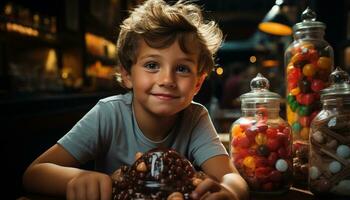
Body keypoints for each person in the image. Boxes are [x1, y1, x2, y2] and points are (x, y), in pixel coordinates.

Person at [22, 0, 249, 199]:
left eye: (182, 68)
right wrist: (79, 178)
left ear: (197, 84)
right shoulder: (107, 114)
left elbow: (231, 177)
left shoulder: (195, 117)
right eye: (152, 65)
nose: (167, 79)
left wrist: (230, 192)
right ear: (128, 74)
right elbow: (35, 172)